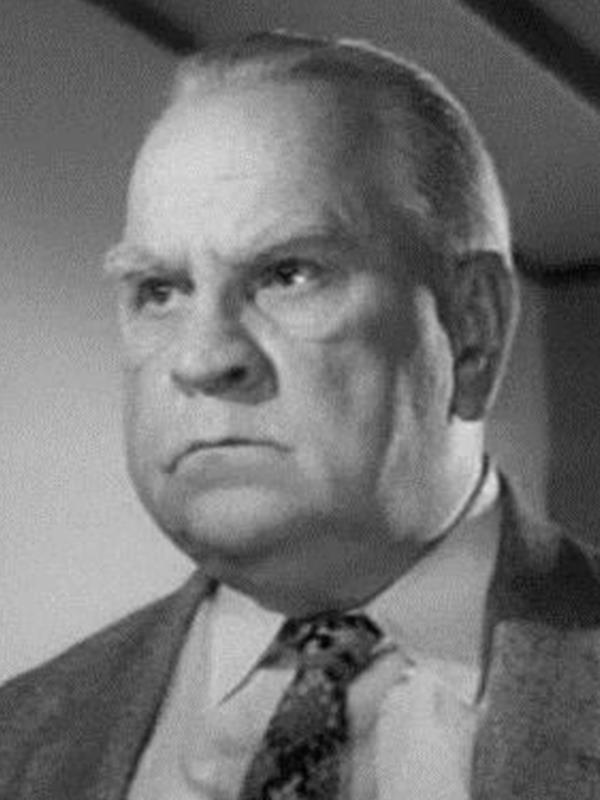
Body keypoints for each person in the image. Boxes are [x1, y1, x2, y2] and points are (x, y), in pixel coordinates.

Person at [1, 31, 599, 800]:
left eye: (289, 274)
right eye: (159, 291)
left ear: (471, 329)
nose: (203, 358)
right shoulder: (18, 738)